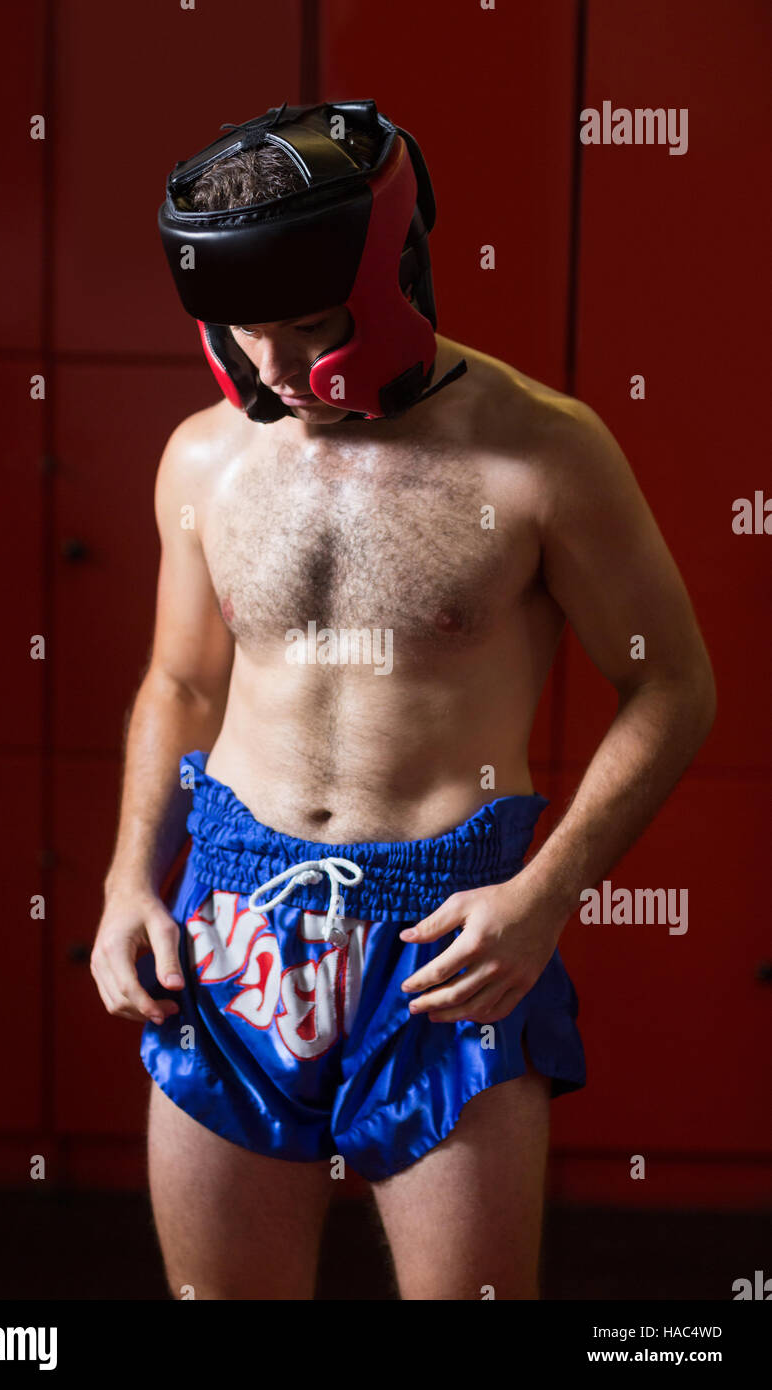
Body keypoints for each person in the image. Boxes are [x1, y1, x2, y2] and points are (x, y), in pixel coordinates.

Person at [90, 101, 716, 1300]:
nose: (272, 373)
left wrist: (544, 895)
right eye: (243, 331)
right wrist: (130, 878)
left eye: (307, 326)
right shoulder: (206, 456)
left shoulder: (541, 453)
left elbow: (670, 682)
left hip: (448, 930)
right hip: (232, 918)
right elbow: (180, 681)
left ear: (395, 275)